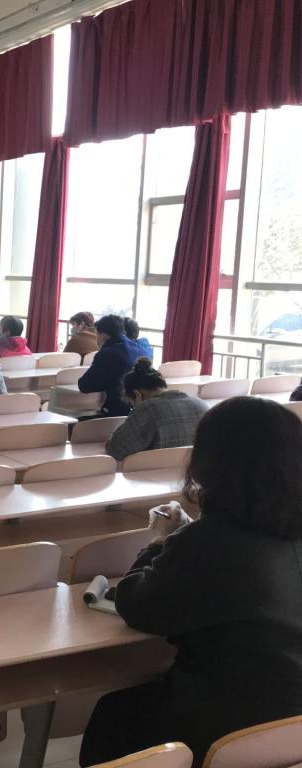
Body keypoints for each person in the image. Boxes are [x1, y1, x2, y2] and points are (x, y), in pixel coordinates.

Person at [80, 398, 302, 768]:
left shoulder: (210, 541)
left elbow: (137, 604)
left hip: (230, 722)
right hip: (293, 723)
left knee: (113, 714)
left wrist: (160, 541)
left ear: (210, 462)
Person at [105, 359, 209, 461]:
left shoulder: (146, 409)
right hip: (193, 469)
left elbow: (116, 451)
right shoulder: (201, 405)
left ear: (137, 394)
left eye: (132, 404)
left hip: (154, 470)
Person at [77, 315, 141, 417]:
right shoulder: (139, 349)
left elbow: (84, 385)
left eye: (96, 333)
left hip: (114, 411)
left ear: (103, 335)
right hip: (136, 410)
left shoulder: (106, 354)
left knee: (78, 419)